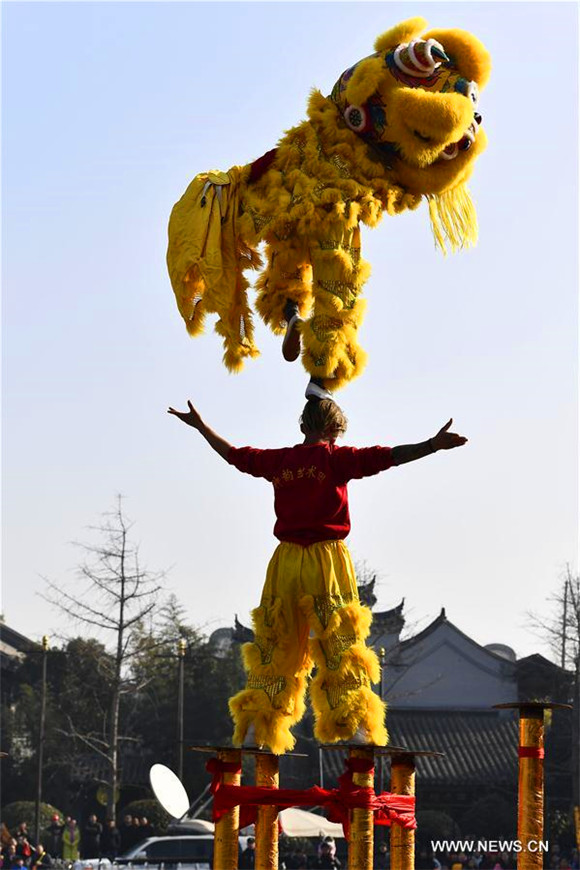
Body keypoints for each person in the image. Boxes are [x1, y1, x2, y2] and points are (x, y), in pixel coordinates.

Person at [168, 397, 467, 754]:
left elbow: (235, 455)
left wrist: (201, 427)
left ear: (302, 426)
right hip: (326, 560)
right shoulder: (335, 459)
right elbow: (387, 456)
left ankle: (256, 728)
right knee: (339, 640)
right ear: (333, 430)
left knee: (275, 643)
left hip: (286, 561)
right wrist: (432, 446)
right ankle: (354, 723)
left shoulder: (280, 461)